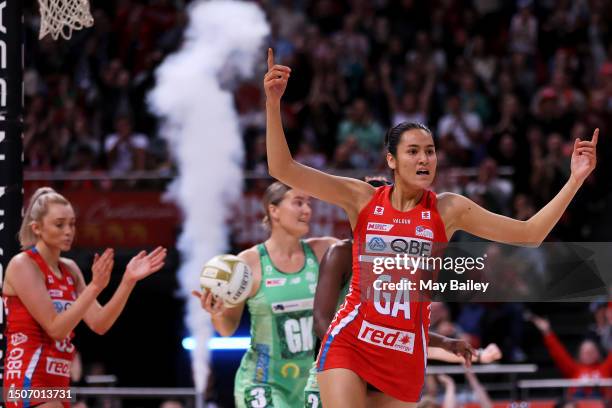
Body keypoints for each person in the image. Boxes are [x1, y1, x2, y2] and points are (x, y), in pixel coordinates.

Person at [264, 47, 599, 407]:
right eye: (413, 151)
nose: (424, 158)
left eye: (430, 150)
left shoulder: (448, 209)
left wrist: (575, 180)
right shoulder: (361, 198)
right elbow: (284, 169)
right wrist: (273, 103)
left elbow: (530, 234)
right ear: (391, 160)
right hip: (353, 339)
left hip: (405, 351)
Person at [2, 187, 167, 408]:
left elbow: (100, 323)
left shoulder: (70, 269)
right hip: (26, 378)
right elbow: (56, 329)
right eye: (59, 224)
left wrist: (128, 280)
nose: (68, 231)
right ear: (37, 228)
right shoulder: (23, 264)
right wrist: (95, 287)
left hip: (59, 381)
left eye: (71, 223)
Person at [304, 237, 503, 407]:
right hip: (343, 368)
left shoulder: (406, 269)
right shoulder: (343, 253)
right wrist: (366, 354)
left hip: (381, 373)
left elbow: (408, 339)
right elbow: (322, 323)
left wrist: (465, 349)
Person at [193, 181, 338, 408]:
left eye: (308, 203)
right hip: (263, 382)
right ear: (274, 210)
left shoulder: (325, 251)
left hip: (313, 382)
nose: (307, 210)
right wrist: (217, 313)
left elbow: (366, 249)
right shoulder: (247, 264)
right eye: (298, 202)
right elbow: (226, 329)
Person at [531, 315, 612, 400]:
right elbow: (559, 355)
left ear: (598, 354)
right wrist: (547, 332)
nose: (588, 354)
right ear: (579, 354)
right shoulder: (574, 369)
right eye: (585, 352)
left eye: (591, 351)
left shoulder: (605, 368)